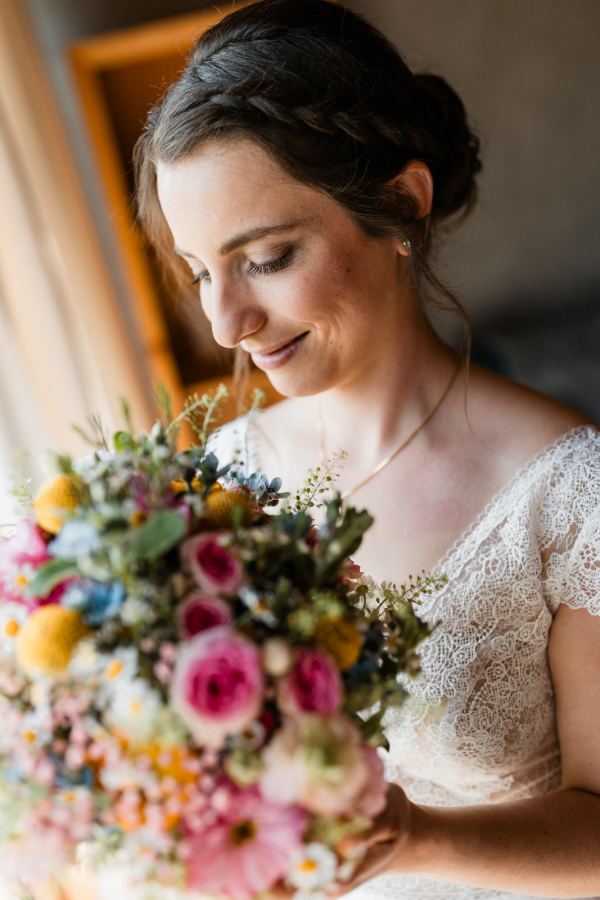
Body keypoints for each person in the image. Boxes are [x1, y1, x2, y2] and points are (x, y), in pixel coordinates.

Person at [133, 1, 600, 897]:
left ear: (400, 203)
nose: (226, 323)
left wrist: (417, 843)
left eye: (265, 257)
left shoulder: (571, 495)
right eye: (200, 272)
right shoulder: (217, 481)